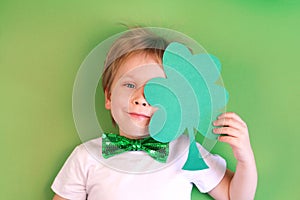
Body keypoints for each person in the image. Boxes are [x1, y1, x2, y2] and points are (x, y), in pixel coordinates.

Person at [52, 28, 257, 200]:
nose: (141, 99)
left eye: (156, 89)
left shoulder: (186, 152)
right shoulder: (85, 157)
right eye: (130, 84)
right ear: (109, 97)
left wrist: (245, 158)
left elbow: (235, 196)